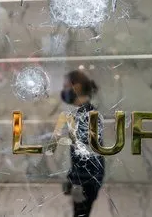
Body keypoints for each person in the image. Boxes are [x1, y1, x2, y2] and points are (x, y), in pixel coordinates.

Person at [60, 69, 105, 217]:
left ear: (77, 87)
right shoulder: (84, 112)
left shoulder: (85, 115)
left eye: (66, 86)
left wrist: (76, 181)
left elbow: (87, 155)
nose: (64, 90)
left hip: (85, 181)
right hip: (85, 180)